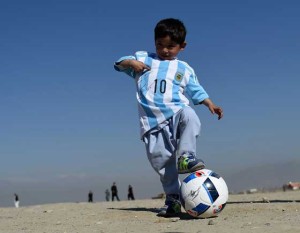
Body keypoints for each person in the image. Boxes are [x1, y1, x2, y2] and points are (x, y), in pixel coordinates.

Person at [114, 18, 223, 217]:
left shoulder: (184, 68)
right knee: (163, 164)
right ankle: (173, 199)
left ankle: (186, 156)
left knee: (191, 116)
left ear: (182, 46)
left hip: (176, 111)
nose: (164, 50)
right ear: (154, 42)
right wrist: (130, 62)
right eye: (160, 45)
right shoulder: (144, 59)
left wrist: (210, 103)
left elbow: (196, 90)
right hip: (152, 122)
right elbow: (119, 63)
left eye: (171, 46)